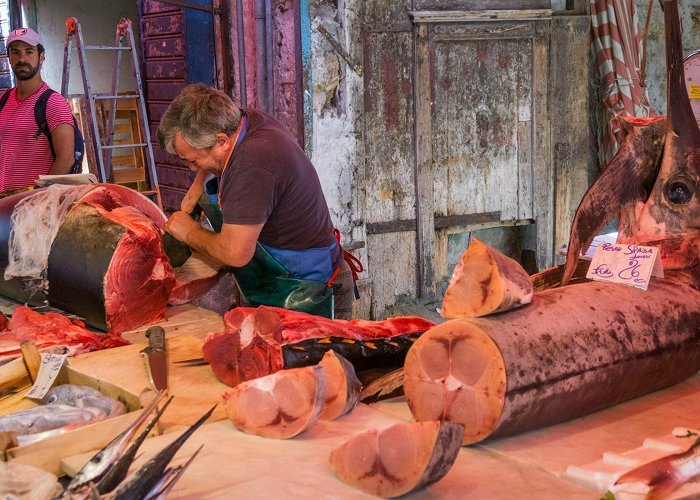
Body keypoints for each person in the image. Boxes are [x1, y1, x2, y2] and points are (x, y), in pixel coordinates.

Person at [158, 83, 358, 319]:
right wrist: (199, 183)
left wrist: (189, 232)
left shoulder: (252, 165)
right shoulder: (243, 122)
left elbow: (235, 253)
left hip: (309, 295)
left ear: (221, 141)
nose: (192, 169)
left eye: (194, 160)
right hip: (281, 285)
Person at [0, 27, 75, 191]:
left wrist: (38, 199)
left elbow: (66, 159)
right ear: (9, 58)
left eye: (29, 52)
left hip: (34, 208)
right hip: (5, 205)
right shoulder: (3, 100)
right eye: (15, 52)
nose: (22, 59)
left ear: (41, 57)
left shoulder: (53, 103)